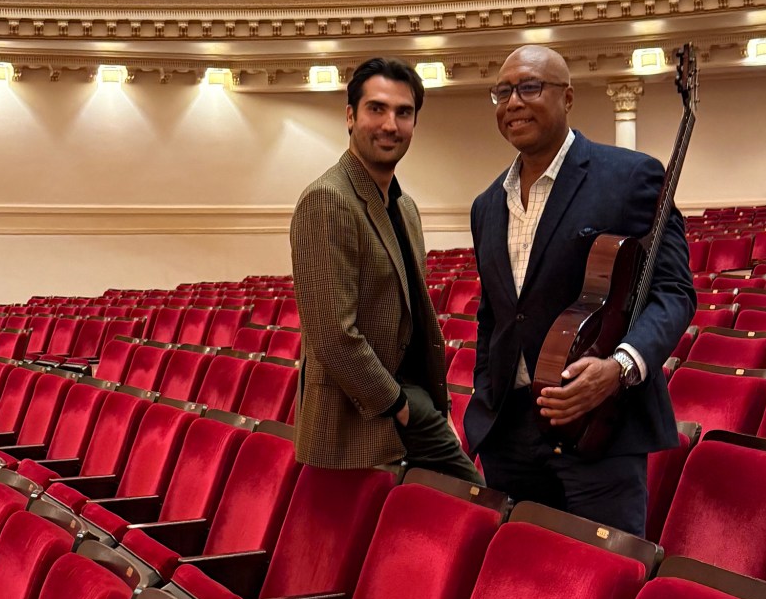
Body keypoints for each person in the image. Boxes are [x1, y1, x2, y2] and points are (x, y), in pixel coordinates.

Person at [466, 45, 696, 535]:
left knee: (608, 586)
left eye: (530, 87)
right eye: (502, 92)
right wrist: (484, 399)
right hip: (510, 437)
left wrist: (619, 368)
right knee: (526, 586)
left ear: (567, 97)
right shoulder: (486, 205)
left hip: (600, 433)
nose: (513, 103)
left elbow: (674, 292)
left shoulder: (632, 175)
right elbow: (495, 316)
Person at [290, 57, 482, 484]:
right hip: (361, 411)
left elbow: (415, 320)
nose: (390, 125)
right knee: (478, 504)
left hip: (410, 399)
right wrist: (399, 405)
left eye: (403, 112)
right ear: (350, 116)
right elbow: (333, 336)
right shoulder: (328, 200)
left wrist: (436, 407)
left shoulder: (405, 207)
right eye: (376, 109)